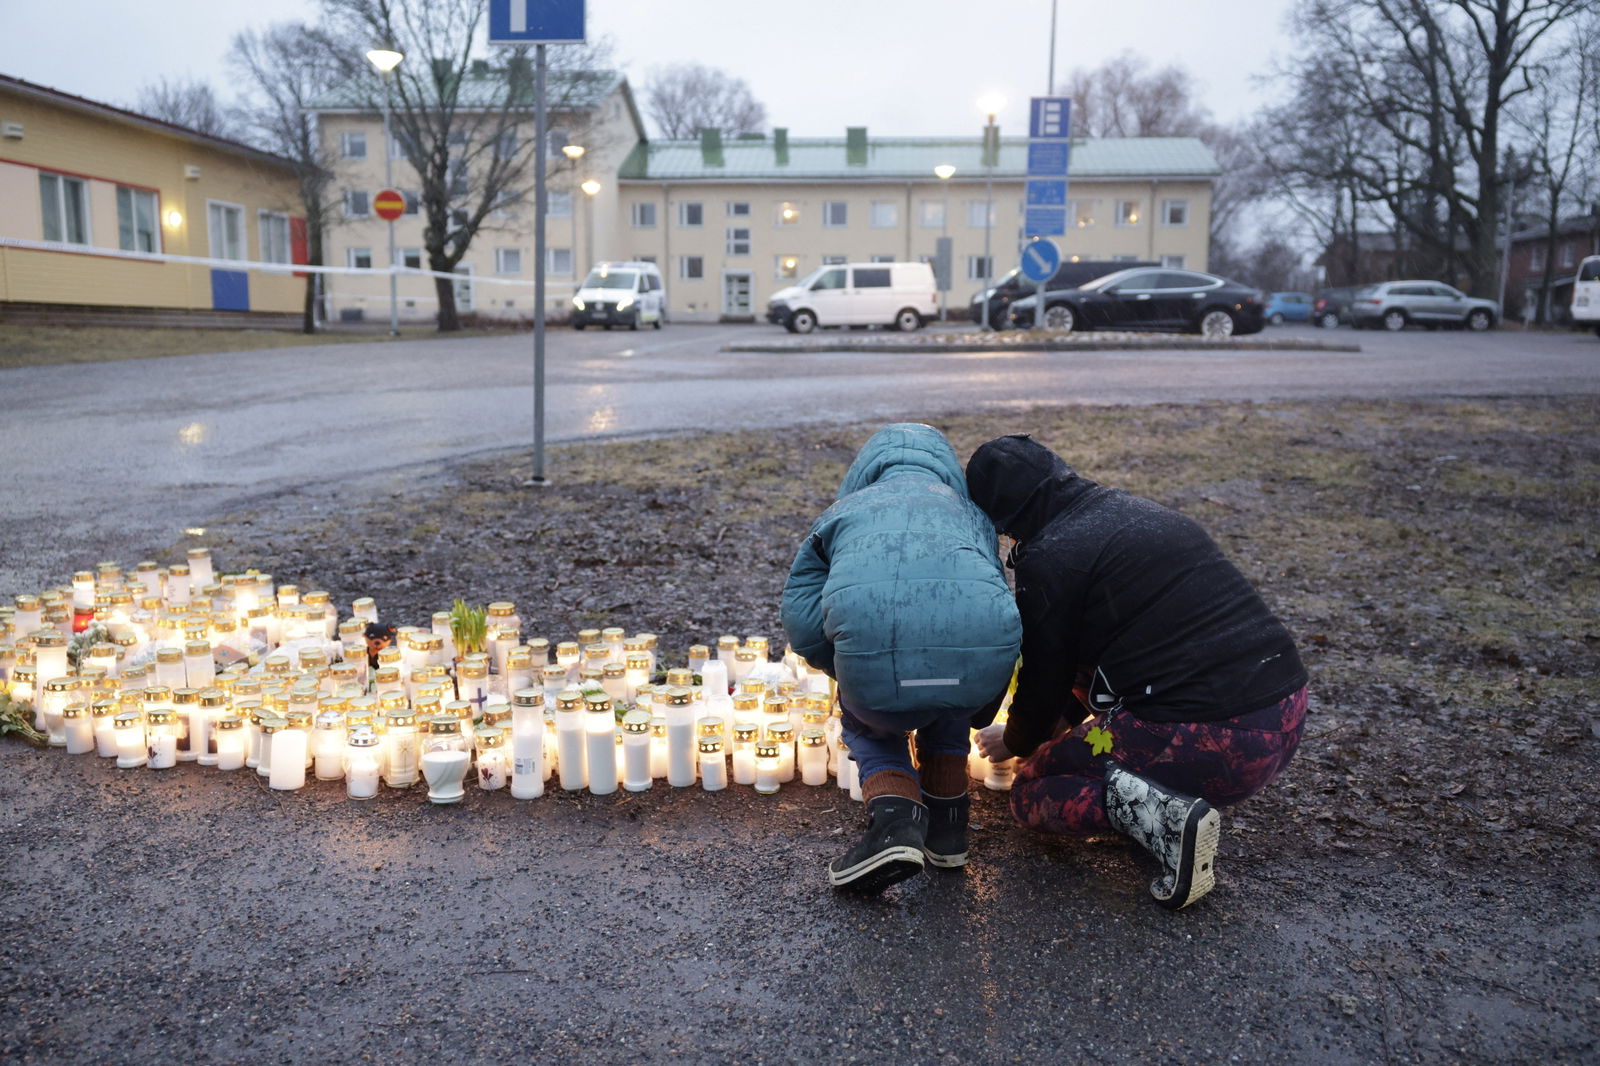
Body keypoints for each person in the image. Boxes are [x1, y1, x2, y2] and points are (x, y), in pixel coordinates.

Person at [965, 434, 1308, 909]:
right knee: (1084, 715)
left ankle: (1164, 819)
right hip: (1285, 712)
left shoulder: (1052, 556)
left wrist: (1020, 741)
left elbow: (1045, 674)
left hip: (1212, 737)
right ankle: (1158, 798)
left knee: (1033, 791)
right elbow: (1075, 669)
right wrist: (1055, 728)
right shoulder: (1133, 512)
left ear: (1001, 517)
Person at [782, 423, 1021, 893]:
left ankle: (896, 825)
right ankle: (949, 833)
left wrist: (847, 669)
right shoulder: (973, 515)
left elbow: (802, 617)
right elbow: (990, 597)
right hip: (970, 677)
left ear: (865, 470)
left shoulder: (841, 513)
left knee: (871, 729)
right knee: (946, 709)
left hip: (875, 675)